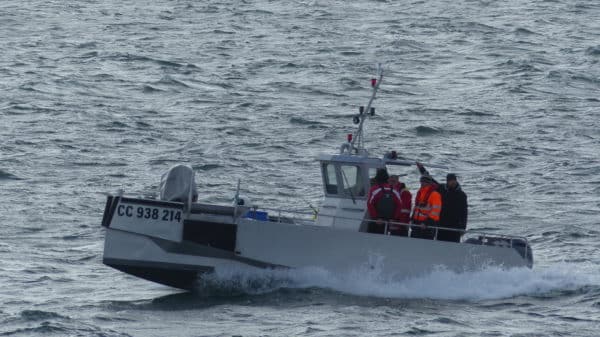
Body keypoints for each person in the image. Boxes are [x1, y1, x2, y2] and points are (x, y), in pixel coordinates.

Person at [367, 168, 403, 234]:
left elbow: (370, 204)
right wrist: (394, 218)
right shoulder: (394, 189)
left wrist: (376, 218)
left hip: (377, 221)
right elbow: (399, 205)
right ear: (387, 178)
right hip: (388, 221)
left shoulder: (374, 189)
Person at [411, 166, 442, 240]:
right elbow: (416, 208)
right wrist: (412, 219)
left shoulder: (435, 194)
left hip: (427, 226)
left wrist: (426, 223)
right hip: (417, 224)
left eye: (424, 181)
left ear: (429, 183)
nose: (422, 183)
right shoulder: (420, 192)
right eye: (421, 181)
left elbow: (435, 212)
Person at [438, 173, 468, 242]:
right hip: (441, 224)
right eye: (450, 180)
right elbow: (430, 180)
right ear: (447, 181)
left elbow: (464, 212)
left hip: (455, 226)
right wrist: (422, 168)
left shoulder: (462, 195)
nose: (453, 182)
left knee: (453, 245)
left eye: (454, 180)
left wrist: (463, 227)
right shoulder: (441, 189)